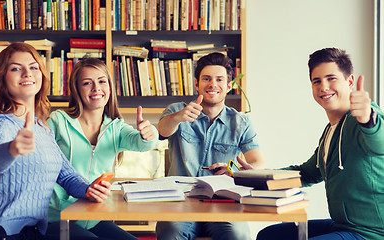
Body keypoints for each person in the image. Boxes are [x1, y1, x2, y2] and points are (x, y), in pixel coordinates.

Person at [239, 48, 384, 240]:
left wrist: (368, 118)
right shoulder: (330, 131)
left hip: (370, 233)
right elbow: (307, 173)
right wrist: (257, 176)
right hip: (342, 225)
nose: (323, 87)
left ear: (349, 82)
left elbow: (379, 144)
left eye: (331, 78)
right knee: (269, 236)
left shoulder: (362, 118)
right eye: (317, 81)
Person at [0, 42, 111, 240]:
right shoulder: (1, 123)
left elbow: (67, 176)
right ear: (2, 79)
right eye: (16, 68)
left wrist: (89, 188)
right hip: (5, 232)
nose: (27, 73)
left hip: (37, 230)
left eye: (33, 67)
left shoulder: (43, 129)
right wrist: (12, 149)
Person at [45, 57, 158, 240]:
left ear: (110, 87)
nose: (96, 88)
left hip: (95, 218)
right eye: (87, 83)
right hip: (58, 218)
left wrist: (149, 133)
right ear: (76, 90)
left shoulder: (116, 127)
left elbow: (142, 143)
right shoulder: (58, 121)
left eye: (102, 81)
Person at [156, 52, 265, 240]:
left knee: (238, 235)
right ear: (197, 84)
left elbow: (258, 163)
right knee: (169, 231)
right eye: (206, 78)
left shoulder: (241, 122)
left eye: (219, 79)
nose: (213, 84)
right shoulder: (177, 111)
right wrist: (178, 118)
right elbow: (161, 132)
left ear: (228, 86)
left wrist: (235, 170)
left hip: (224, 205)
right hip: (181, 204)